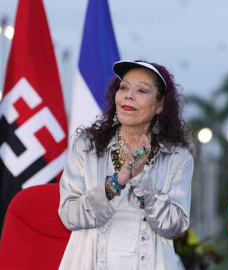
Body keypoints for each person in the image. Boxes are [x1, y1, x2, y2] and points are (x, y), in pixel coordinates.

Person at [58, 60, 193, 270]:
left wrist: (141, 179)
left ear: (159, 105)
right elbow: (69, 215)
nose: (129, 95)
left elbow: (174, 226)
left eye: (142, 90)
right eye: (124, 87)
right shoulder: (86, 146)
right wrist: (115, 183)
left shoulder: (177, 156)